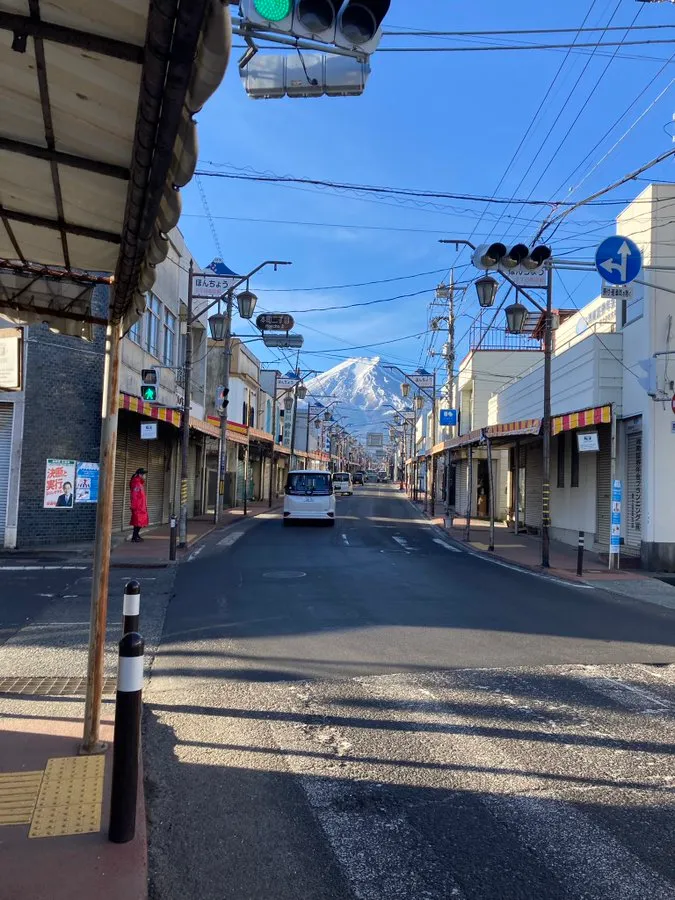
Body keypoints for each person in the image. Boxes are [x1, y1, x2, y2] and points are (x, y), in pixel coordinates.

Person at [129, 468, 149, 542]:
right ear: (140, 475)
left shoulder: (139, 483)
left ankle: (136, 535)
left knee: (139, 522)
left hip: (141, 506)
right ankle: (134, 537)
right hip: (138, 507)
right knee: (138, 522)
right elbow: (134, 495)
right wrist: (134, 506)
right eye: (144, 475)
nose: (145, 476)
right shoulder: (137, 484)